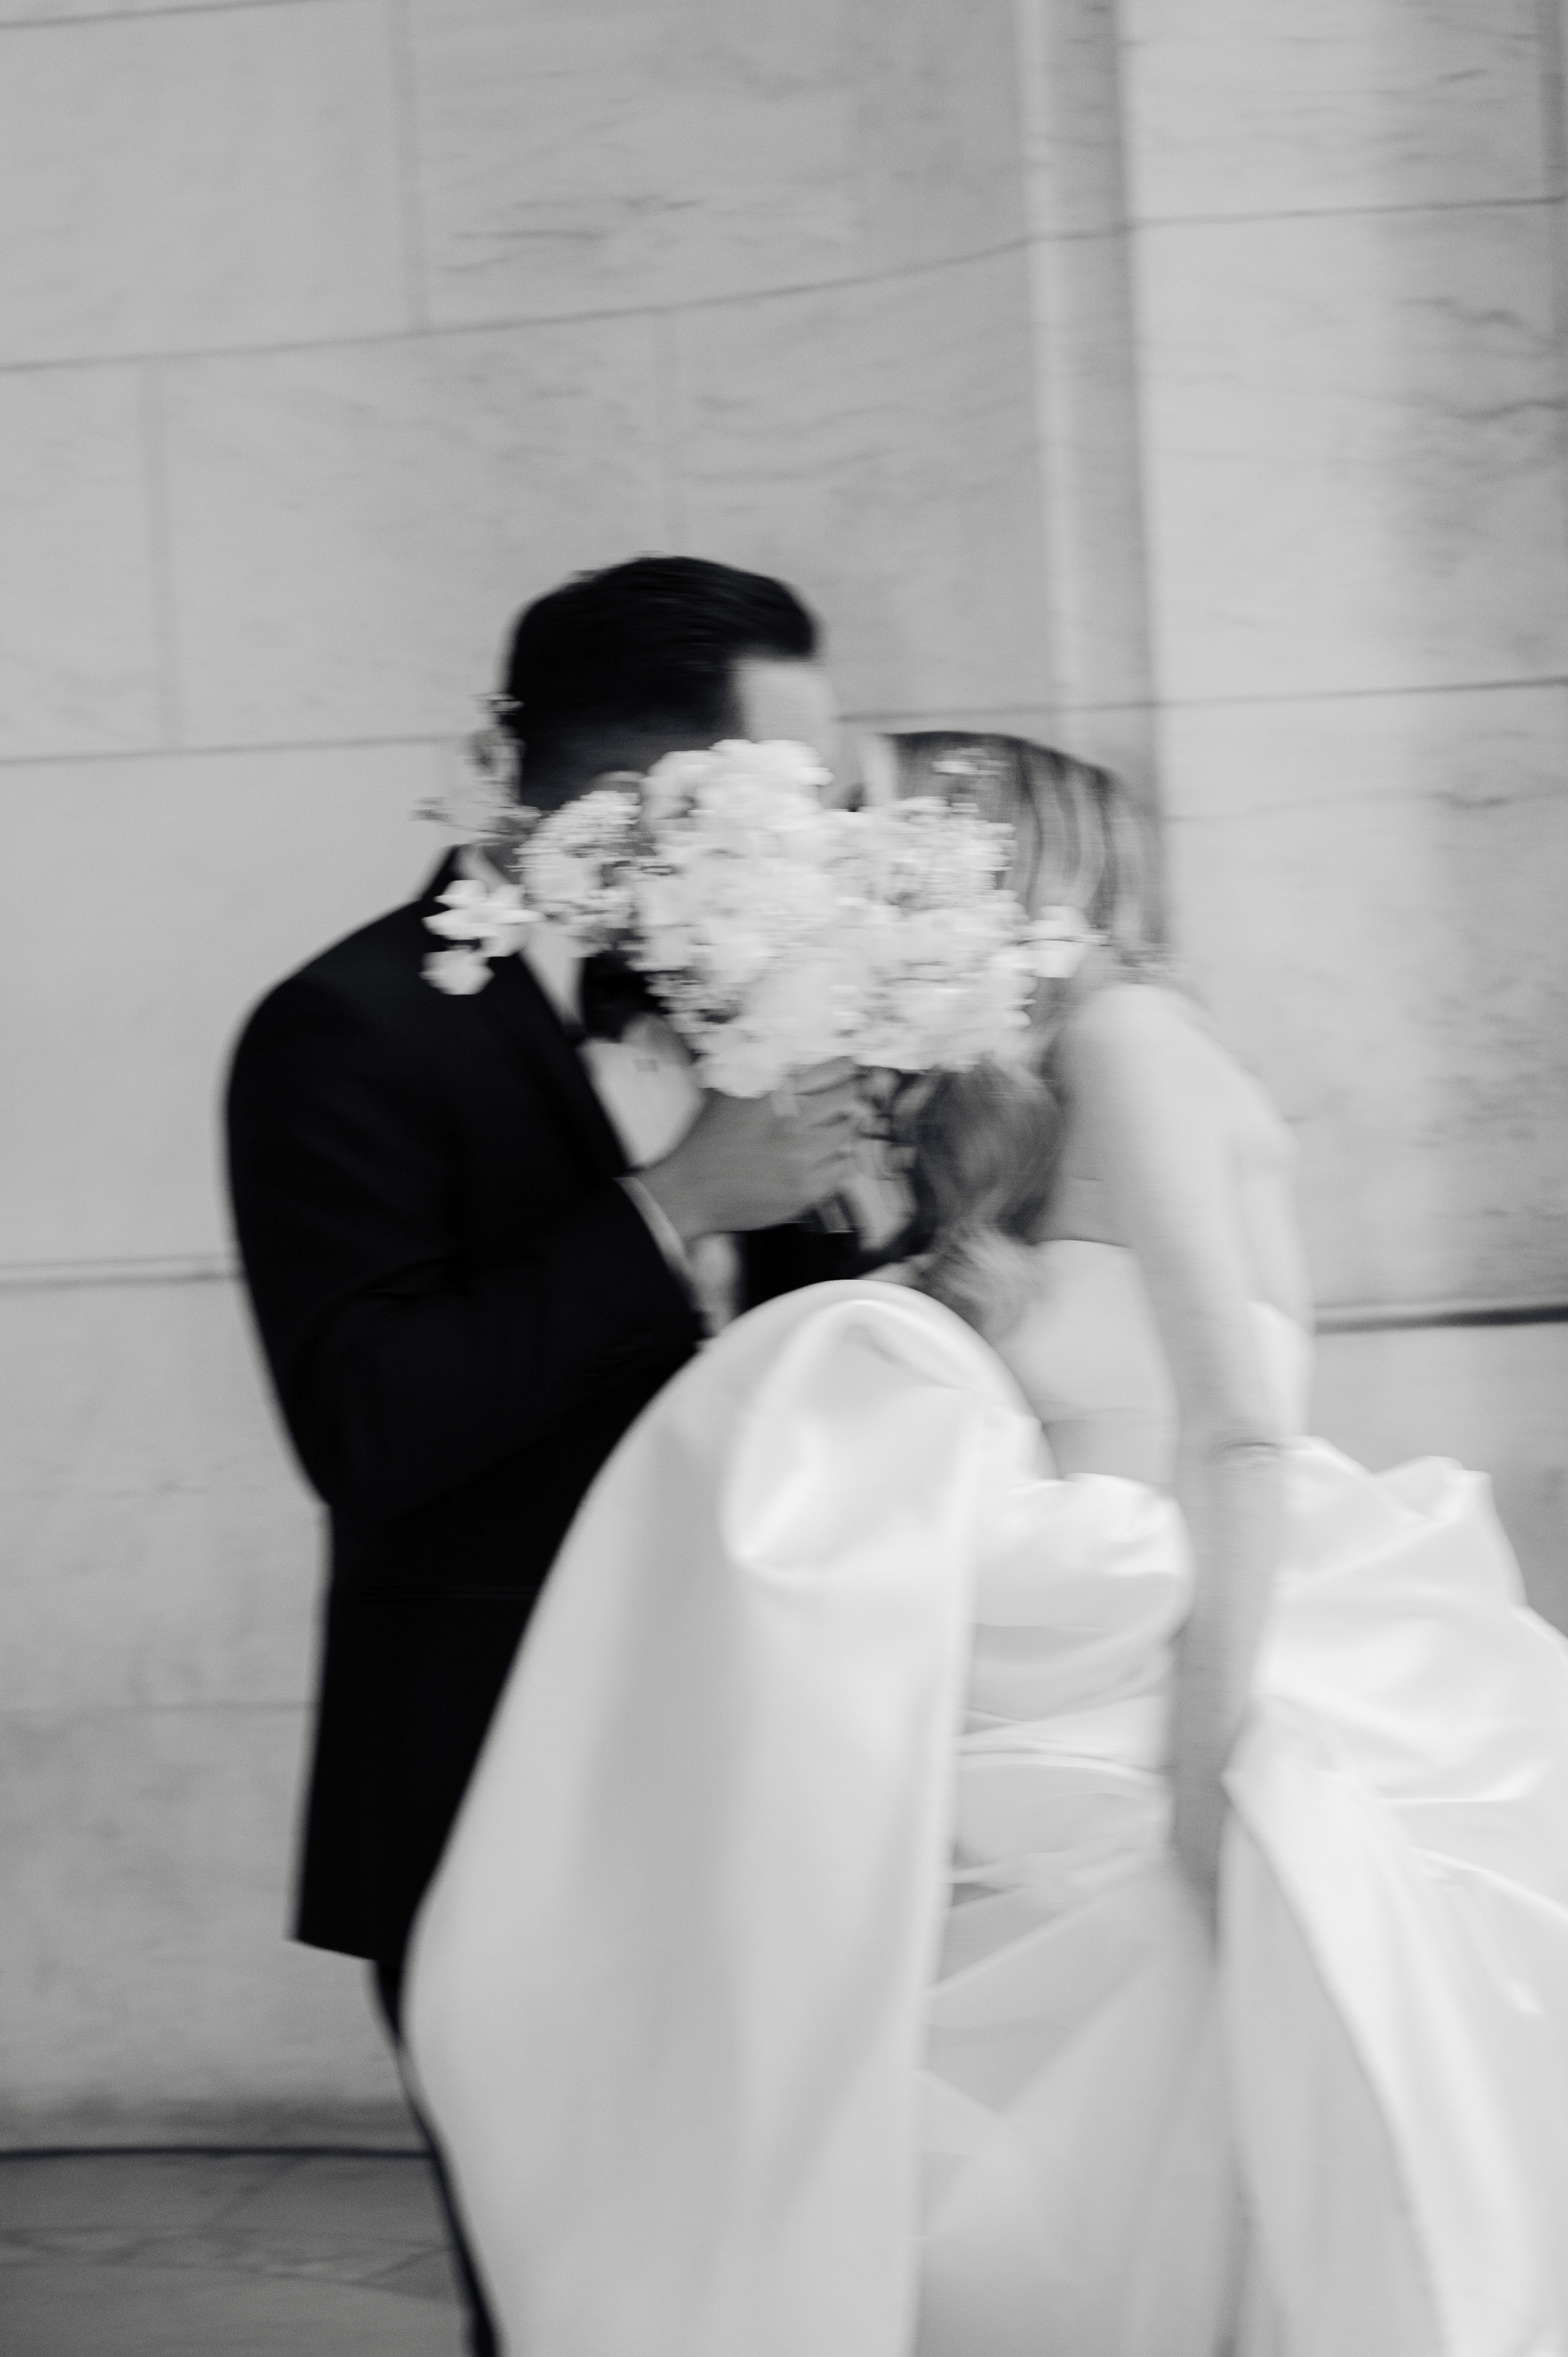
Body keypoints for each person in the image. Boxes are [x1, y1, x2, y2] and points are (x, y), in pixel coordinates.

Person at [402, 743, 1568, 2355]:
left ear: (1013, 865)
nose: (879, 874)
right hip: (1083, 1641)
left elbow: (1237, 1427)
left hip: (1173, 1670)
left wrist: (1202, 1769)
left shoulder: (1130, 1031)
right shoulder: (1061, 1076)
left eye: (915, 844)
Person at [225, 555, 870, 2355]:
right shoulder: (339, 1033)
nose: (818, 837)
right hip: (496, 1785)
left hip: (776, 1766)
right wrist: (668, 1205)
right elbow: (365, 1420)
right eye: (788, 791)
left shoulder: (756, 1003)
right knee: (577, 2301)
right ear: (647, 794)